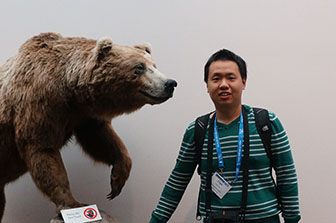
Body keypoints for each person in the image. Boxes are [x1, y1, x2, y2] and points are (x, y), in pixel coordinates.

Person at [149, 49, 301, 223]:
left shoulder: (267, 123)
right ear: (207, 85)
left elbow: (286, 175)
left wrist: (292, 219)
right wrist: (156, 220)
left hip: (264, 219)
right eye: (216, 79)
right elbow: (177, 182)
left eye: (231, 78)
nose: (223, 84)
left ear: (243, 82)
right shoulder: (197, 130)